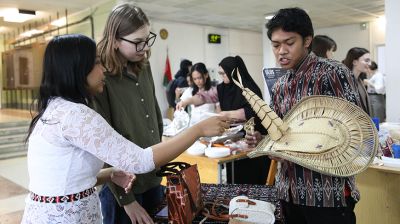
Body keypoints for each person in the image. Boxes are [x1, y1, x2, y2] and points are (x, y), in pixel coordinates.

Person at [21, 34, 228, 223]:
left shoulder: (55, 108)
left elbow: (66, 178)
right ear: (76, 68)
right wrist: (197, 130)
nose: (103, 69)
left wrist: (108, 174)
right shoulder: (76, 115)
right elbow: (140, 160)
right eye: (96, 63)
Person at [246, 7, 362, 224]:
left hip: (327, 195)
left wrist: (291, 151)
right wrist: (265, 142)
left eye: (289, 43)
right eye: (276, 45)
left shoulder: (331, 73)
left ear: (307, 41)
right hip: (289, 193)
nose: (281, 51)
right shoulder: (281, 85)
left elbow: (353, 132)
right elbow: (280, 134)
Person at [94, 3, 199, 223]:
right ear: (114, 40)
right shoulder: (100, 76)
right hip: (122, 189)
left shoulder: (143, 64)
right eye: (137, 42)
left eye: (147, 39)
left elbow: (153, 118)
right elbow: (102, 146)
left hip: (152, 176)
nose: (144, 47)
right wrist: (127, 200)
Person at [216, 56, 270, 184]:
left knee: (251, 180)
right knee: (234, 179)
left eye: (224, 73)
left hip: (253, 139)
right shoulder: (222, 88)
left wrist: (228, 114)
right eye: (220, 73)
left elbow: (253, 111)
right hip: (235, 139)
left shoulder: (249, 88)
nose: (222, 76)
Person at [343, 47, 372, 115]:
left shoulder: (359, 81)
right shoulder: (345, 81)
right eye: (367, 60)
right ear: (354, 62)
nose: (370, 64)